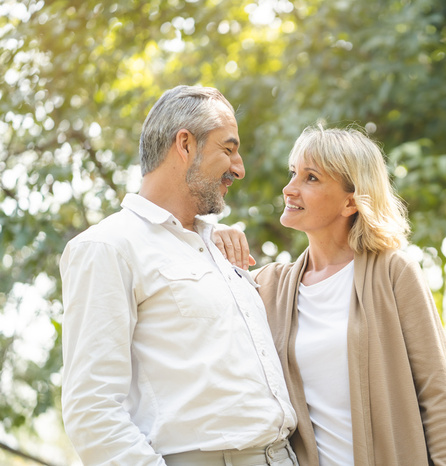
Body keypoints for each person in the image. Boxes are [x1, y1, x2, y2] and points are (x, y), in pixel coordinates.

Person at [60, 85, 298, 466]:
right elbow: (92, 409)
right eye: (228, 148)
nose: (239, 168)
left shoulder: (221, 247)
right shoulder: (108, 247)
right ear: (185, 144)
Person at [215, 125, 446, 465]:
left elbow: (439, 399)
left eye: (311, 178)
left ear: (350, 201)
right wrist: (212, 236)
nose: (289, 189)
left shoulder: (394, 273)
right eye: (293, 173)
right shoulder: (269, 286)